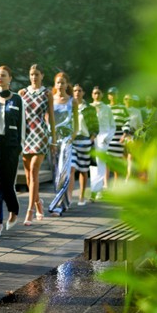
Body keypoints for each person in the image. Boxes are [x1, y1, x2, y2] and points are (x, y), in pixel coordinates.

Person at [0, 66, 25, 238]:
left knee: (8, 182)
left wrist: (20, 146)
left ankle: (13, 210)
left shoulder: (17, 99)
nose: (0, 78)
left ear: (10, 79)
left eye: (3, 75)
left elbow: (22, 124)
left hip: (10, 146)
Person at [18, 64, 55, 225]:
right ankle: (38, 204)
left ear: (42, 76)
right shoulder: (22, 93)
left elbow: (51, 118)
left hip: (40, 135)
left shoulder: (47, 94)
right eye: (32, 74)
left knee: (34, 171)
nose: (34, 77)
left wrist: (53, 139)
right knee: (28, 177)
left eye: (37, 74)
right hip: (26, 137)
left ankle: (30, 212)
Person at [51, 72, 78, 210]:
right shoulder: (51, 99)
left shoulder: (72, 101)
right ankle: (58, 200)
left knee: (67, 170)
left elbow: (76, 126)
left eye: (63, 82)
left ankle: (66, 200)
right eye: (58, 82)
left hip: (67, 141)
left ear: (67, 84)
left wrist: (70, 139)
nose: (60, 85)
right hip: (53, 140)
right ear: (55, 84)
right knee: (56, 172)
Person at [68, 84, 98, 205]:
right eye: (75, 90)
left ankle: (81, 196)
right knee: (71, 168)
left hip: (85, 141)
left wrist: (91, 139)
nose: (77, 93)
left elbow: (95, 125)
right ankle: (69, 197)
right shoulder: (70, 105)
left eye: (79, 91)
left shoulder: (89, 108)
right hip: (73, 141)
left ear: (83, 92)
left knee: (83, 170)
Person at [89, 86, 115, 200]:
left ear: (102, 94)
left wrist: (107, 138)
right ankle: (94, 189)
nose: (97, 95)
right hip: (91, 139)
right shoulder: (88, 108)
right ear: (92, 95)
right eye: (95, 93)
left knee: (101, 163)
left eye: (99, 93)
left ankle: (97, 191)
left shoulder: (107, 108)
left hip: (103, 139)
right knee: (92, 165)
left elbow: (112, 125)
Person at [105, 87, 130, 187]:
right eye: (111, 94)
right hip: (108, 135)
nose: (113, 96)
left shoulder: (122, 108)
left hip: (119, 135)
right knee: (106, 160)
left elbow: (127, 120)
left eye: (114, 94)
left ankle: (115, 184)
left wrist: (125, 134)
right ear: (108, 96)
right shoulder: (106, 108)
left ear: (117, 95)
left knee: (116, 160)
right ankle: (106, 184)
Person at [123, 94, 143, 182]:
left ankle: (128, 176)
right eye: (126, 99)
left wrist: (140, 137)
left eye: (130, 99)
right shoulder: (121, 109)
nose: (128, 100)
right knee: (124, 157)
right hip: (120, 136)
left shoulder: (137, 111)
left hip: (132, 136)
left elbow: (140, 126)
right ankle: (125, 174)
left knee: (130, 157)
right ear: (124, 100)